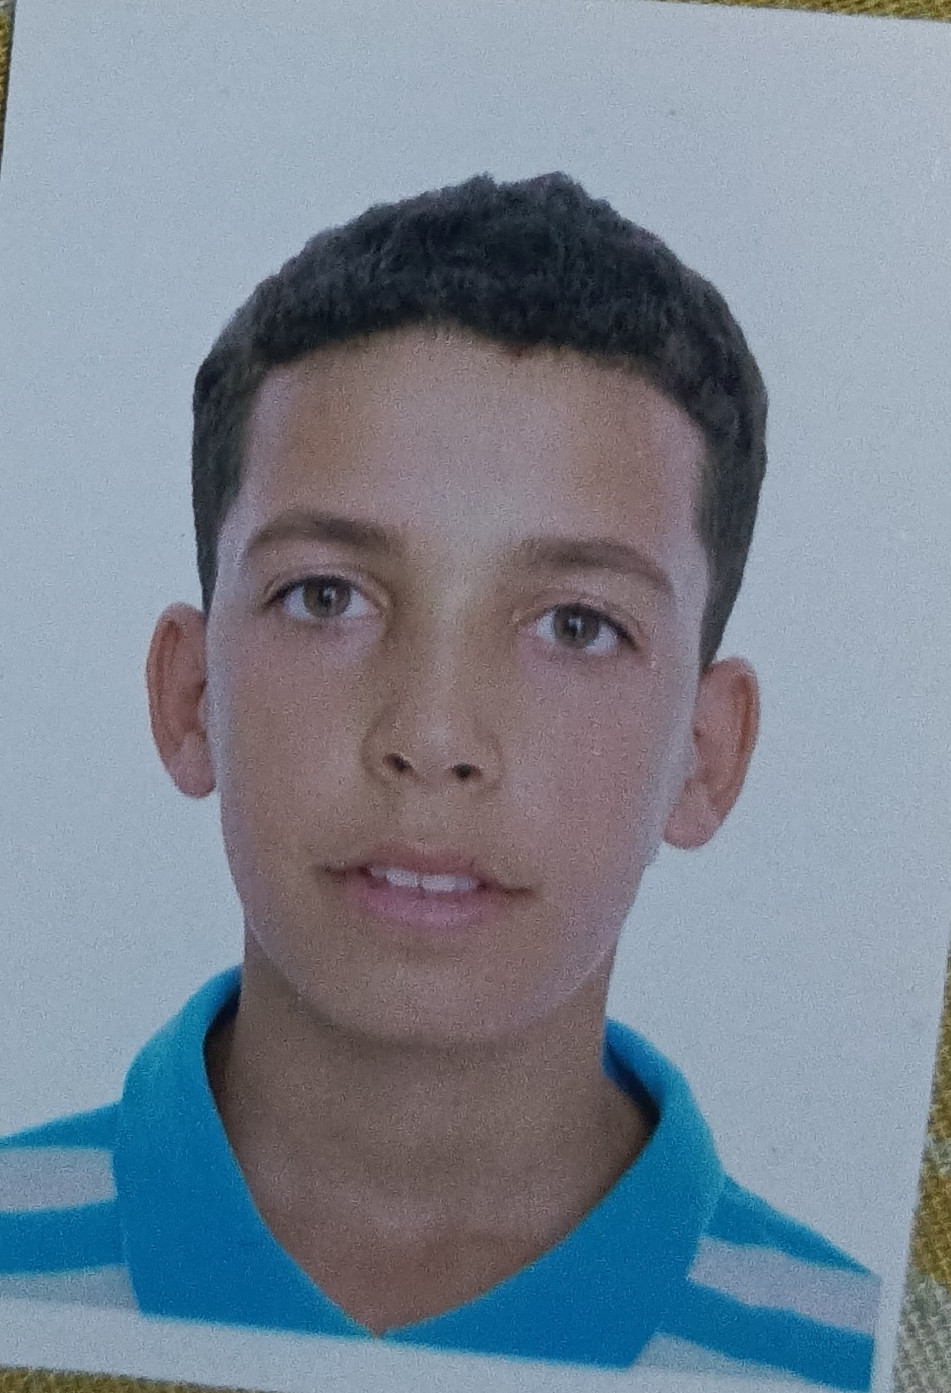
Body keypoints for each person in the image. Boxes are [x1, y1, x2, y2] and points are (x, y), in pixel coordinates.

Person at [0, 172, 879, 1387]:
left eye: (576, 624)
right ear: (190, 694)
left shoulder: (860, 1354)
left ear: (706, 752)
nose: (432, 734)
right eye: (327, 596)